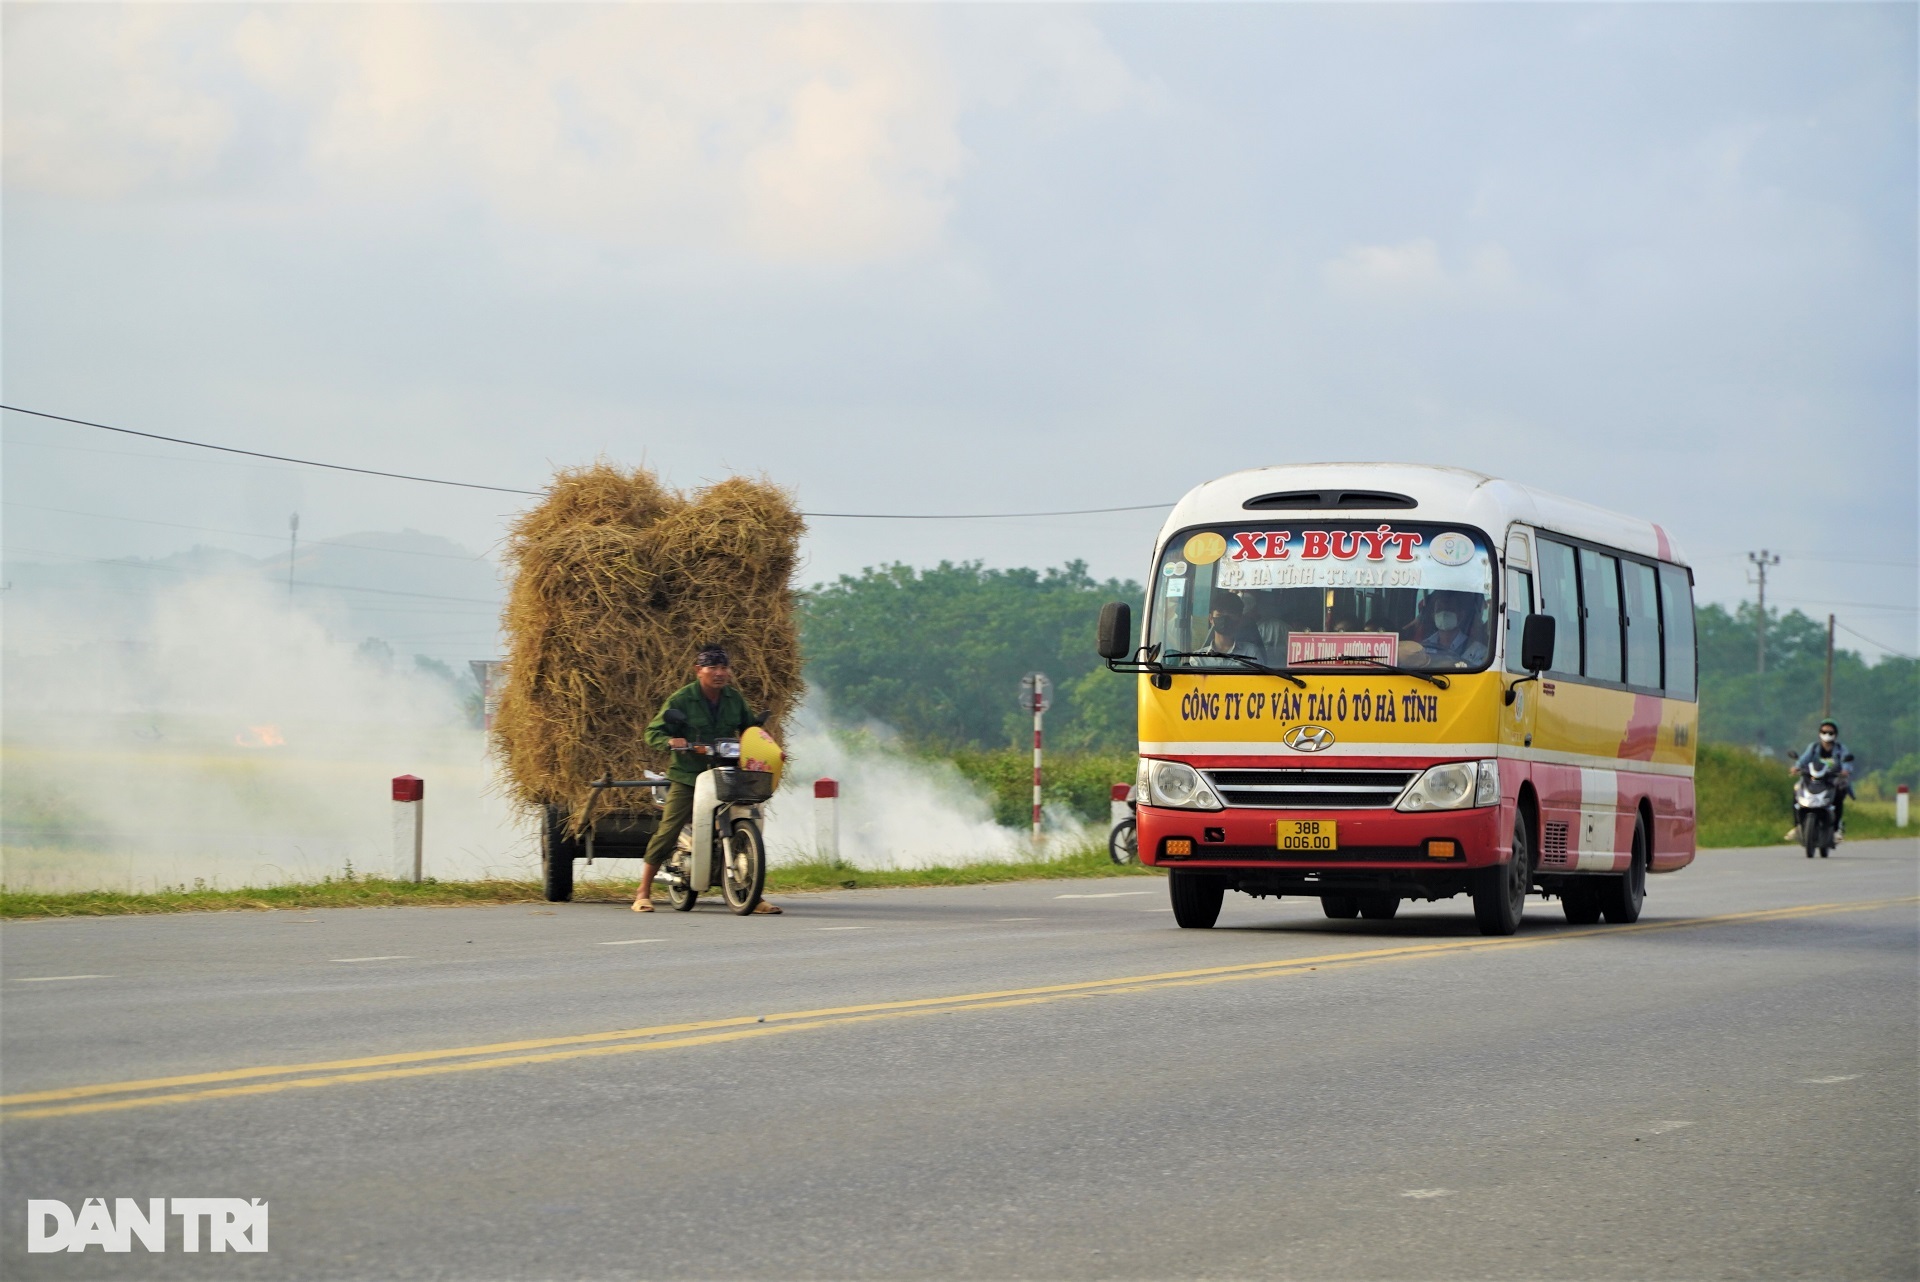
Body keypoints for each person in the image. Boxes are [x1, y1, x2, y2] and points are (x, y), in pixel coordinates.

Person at [632, 646, 782, 914]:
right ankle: (643, 891)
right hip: (689, 776)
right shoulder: (682, 699)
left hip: (725, 773)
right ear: (698, 671)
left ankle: (753, 893)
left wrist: (759, 743)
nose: (719, 673)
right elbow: (652, 732)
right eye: (712, 668)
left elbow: (750, 729)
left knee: (751, 819)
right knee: (668, 829)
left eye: (724, 668)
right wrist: (672, 741)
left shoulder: (734, 699)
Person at [1787, 719, 1855, 840]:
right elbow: (1803, 760)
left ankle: (1836, 829)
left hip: (1832, 780)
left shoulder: (1840, 749)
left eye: (1830, 732)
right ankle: (1797, 826)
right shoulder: (1813, 748)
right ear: (1819, 733)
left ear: (1835, 734)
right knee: (1797, 789)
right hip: (1813, 779)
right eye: (1824, 731)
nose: (1827, 735)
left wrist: (1845, 771)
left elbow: (1846, 762)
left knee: (1839, 793)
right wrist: (1796, 767)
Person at [1401, 591, 1488, 669]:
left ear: (1461, 615)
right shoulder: (1423, 647)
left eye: (1450, 609)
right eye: (1439, 609)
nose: (1443, 614)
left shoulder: (1477, 651)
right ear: (1433, 615)